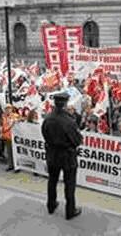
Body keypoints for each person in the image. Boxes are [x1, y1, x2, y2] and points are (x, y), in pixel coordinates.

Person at [41, 92, 83, 220]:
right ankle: (70, 210)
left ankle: (51, 205)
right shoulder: (69, 121)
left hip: (52, 155)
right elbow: (77, 141)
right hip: (67, 156)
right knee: (69, 184)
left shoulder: (48, 118)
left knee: (52, 181)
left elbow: (44, 133)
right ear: (65, 104)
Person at [1, 104, 19, 171]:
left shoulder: (15, 116)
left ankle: (16, 166)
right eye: (6, 109)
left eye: (9, 108)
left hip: (14, 137)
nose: (8, 110)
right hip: (7, 137)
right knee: (9, 152)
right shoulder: (3, 117)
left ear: (11, 109)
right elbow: (3, 127)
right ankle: (10, 165)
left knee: (15, 152)